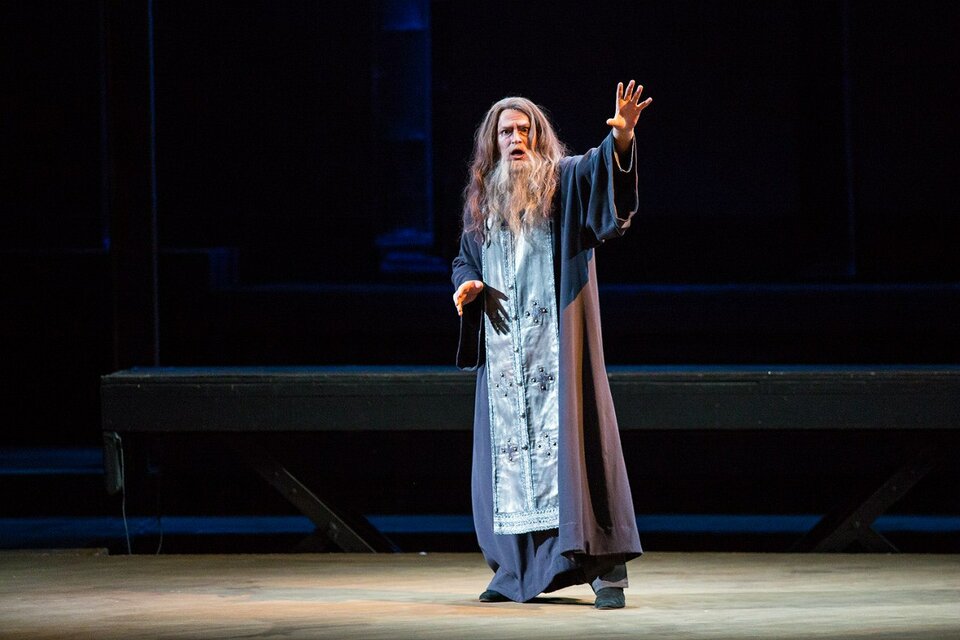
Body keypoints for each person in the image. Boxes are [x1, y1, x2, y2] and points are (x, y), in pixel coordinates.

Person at [451, 81, 652, 609]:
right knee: (512, 466)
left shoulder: (565, 184)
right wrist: (466, 284)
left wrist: (622, 140)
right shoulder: (485, 204)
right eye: (506, 132)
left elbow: (603, 175)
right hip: (506, 364)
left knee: (577, 450)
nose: (516, 139)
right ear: (493, 143)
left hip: (557, 357)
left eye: (525, 131)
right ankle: (516, 570)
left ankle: (604, 572)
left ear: (539, 139)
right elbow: (465, 259)